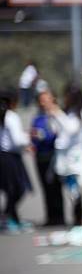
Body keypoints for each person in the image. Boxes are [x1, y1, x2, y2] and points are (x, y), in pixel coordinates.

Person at [51, 84, 82, 227]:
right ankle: (76, 219)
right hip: (65, 157)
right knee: (71, 191)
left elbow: (71, 128)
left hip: (76, 158)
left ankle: (79, 219)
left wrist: (57, 113)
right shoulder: (68, 113)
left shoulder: (80, 113)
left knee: (76, 190)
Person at [31, 90, 65, 226]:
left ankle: (59, 217)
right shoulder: (38, 118)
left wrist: (45, 135)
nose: (44, 102)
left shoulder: (57, 116)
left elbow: (59, 134)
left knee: (56, 187)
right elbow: (33, 135)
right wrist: (33, 139)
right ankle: (50, 217)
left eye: (47, 99)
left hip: (53, 156)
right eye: (42, 100)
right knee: (45, 187)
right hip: (40, 157)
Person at [0, 88, 32, 230]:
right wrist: (29, 138)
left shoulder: (3, 115)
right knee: (18, 189)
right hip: (11, 157)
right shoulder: (11, 116)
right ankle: (7, 217)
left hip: (4, 156)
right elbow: (18, 140)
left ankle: (13, 218)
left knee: (10, 190)